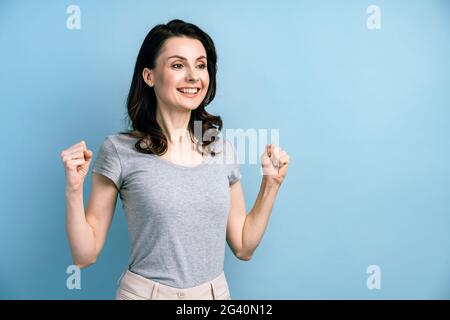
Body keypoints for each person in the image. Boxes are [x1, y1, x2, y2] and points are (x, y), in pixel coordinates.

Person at [60, 19, 290, 300]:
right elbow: (85, 255)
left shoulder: (222, 150)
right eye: (178, 65)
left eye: (201, 65)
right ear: (149, 76)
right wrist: (73, 190)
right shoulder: (119, 150)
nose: (193, 76)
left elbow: (243, 246)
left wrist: (271, 184)